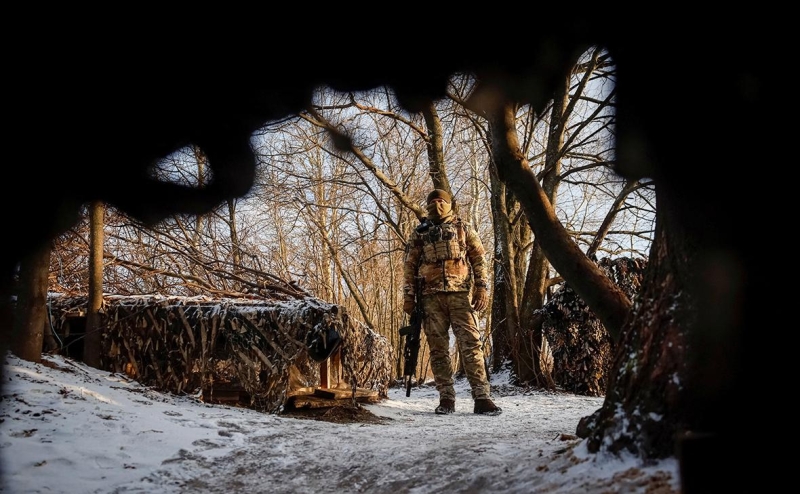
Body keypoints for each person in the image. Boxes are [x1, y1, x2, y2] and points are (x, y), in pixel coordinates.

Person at [402, 189, 501, 416]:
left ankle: (482, 397)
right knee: (438, 350)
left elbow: (479, 259)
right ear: (427, 206)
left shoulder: (464, 229)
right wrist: (408, 297)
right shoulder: (419, 233)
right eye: (433, 201)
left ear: (449, 205)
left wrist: (482, 288)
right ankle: (446, 398)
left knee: (471, 345)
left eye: (441, 201)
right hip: (430, 298)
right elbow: (409, 266)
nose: (437, 205)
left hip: (461, 296)